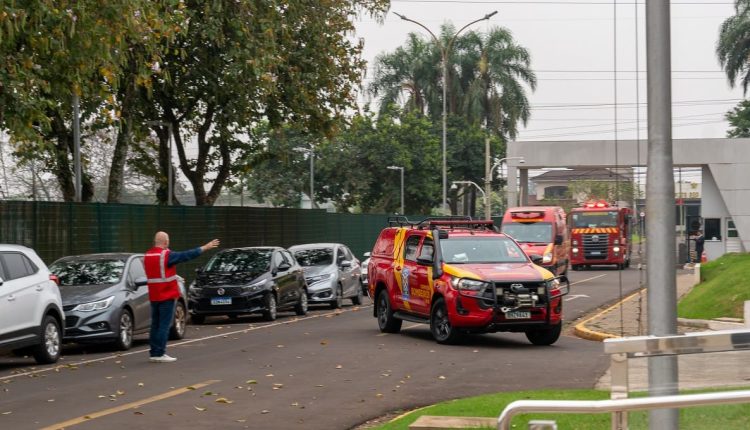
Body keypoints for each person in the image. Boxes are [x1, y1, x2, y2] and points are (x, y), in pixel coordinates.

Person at [144, 232, 219, 363]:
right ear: (166, 242)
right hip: (166, 295)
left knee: (155, 325)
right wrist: (205, 247)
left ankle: (154, 352)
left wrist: (176, 277)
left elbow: (157, 273)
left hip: (154, 296)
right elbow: (185, 255)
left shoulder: (148, 255)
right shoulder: (166, 255)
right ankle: (160, 353)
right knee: (164, 325)